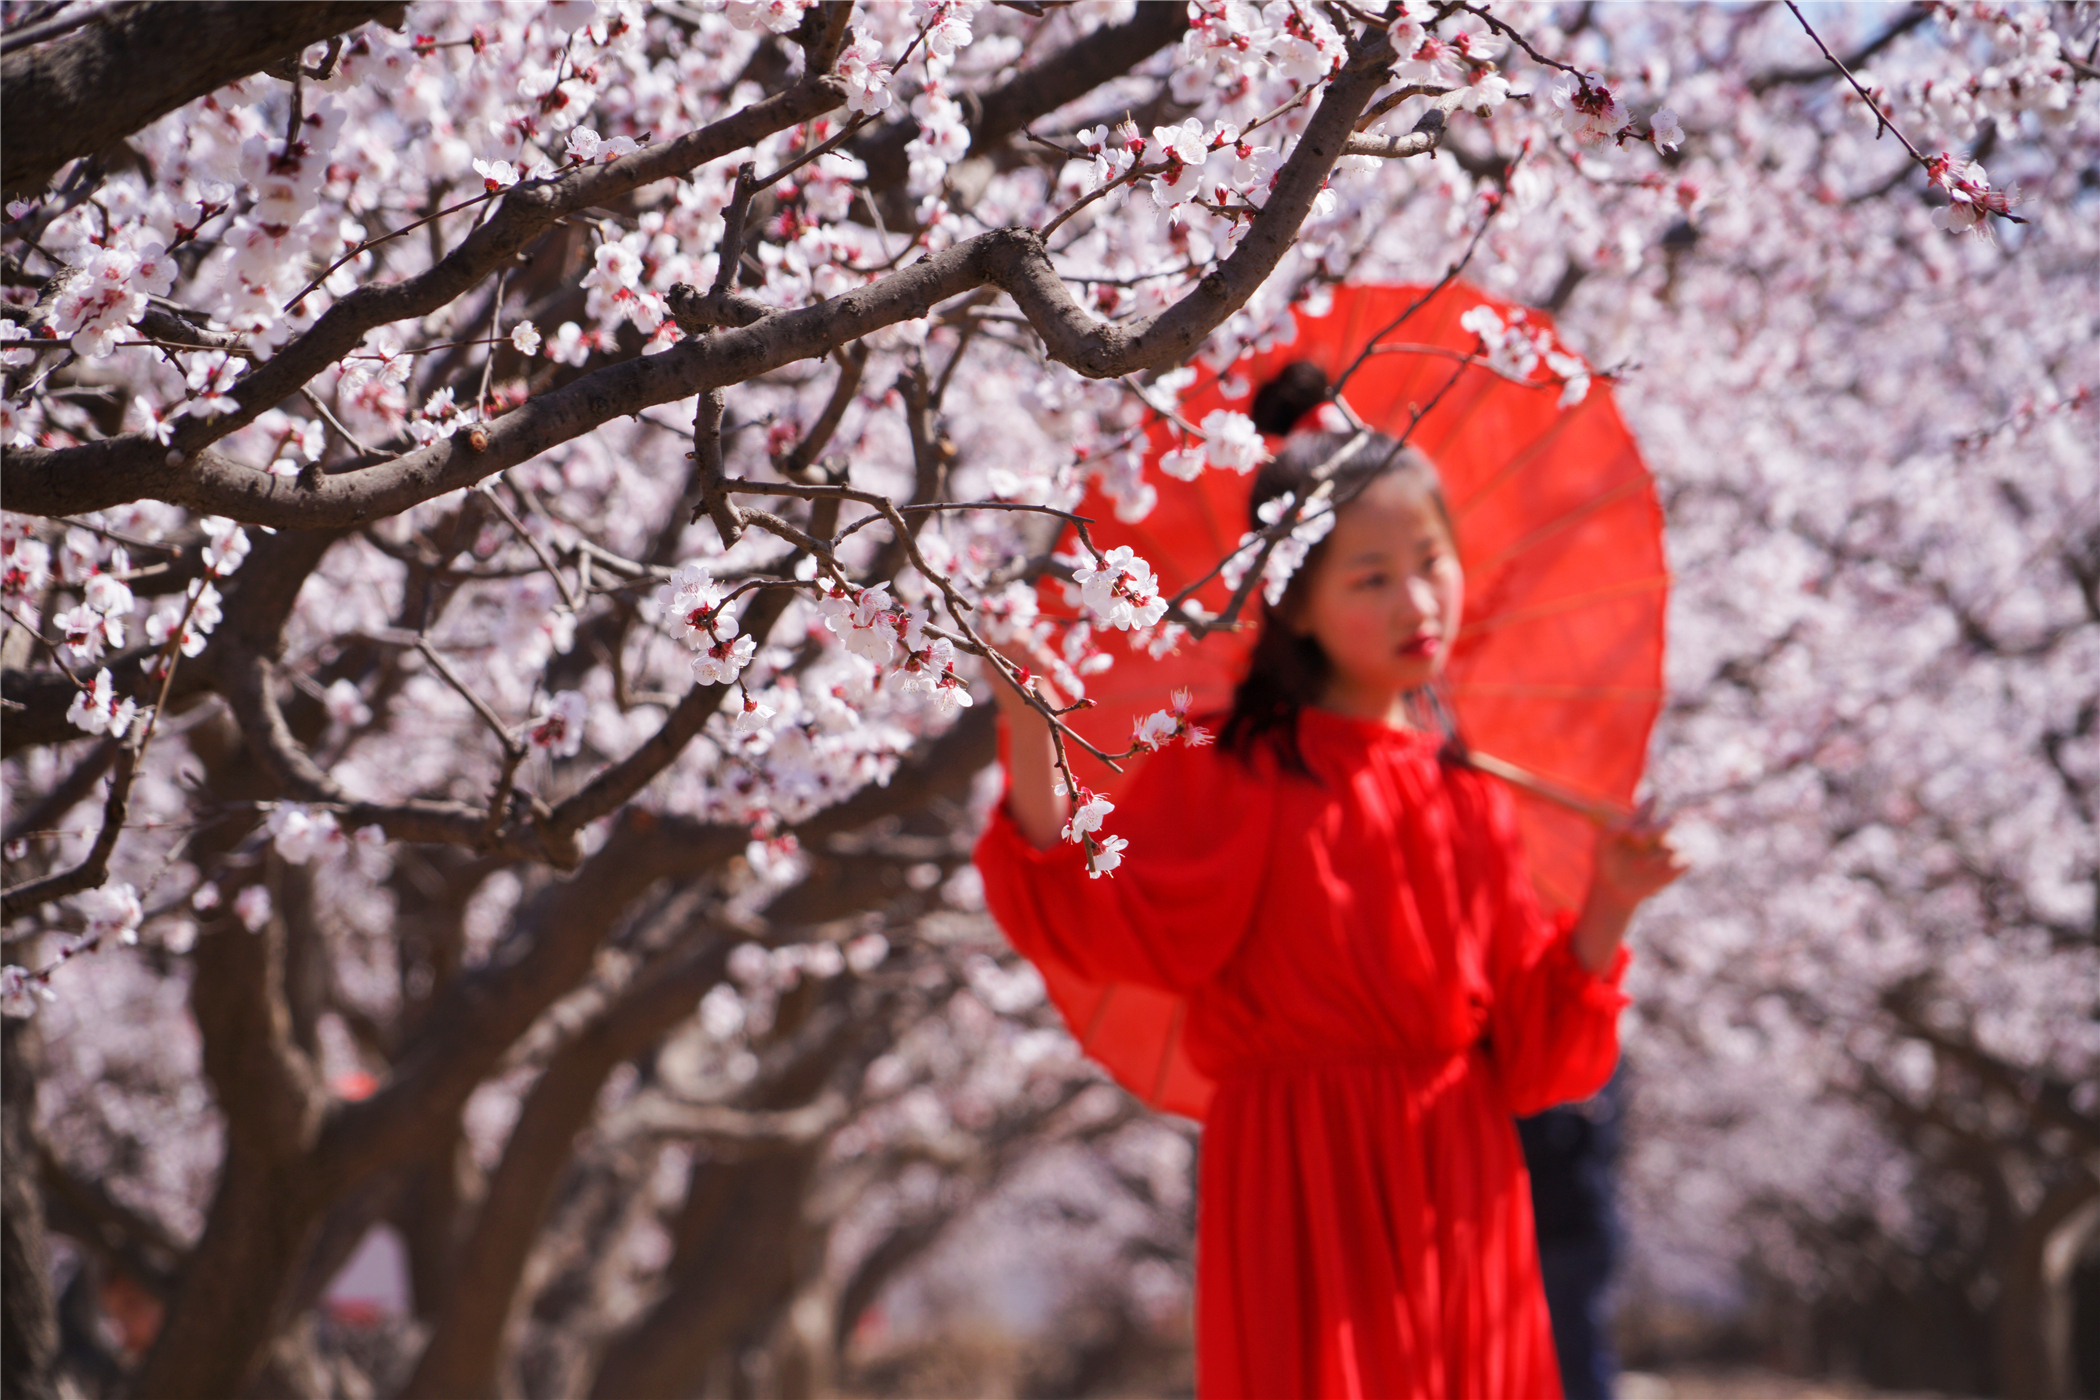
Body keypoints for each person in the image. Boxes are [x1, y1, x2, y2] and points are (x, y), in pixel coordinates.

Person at [973, 364, 1686, 1400]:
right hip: (1303, 1178)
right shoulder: (1234, 768)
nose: (1417, 599)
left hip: (1464, 1177)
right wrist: (1031, 730)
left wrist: (1610, 903)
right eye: (1371, 576)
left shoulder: (1471, 797)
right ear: (1294, 604)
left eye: (1431, 561)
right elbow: (1094, 913)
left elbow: (1535, 1058)